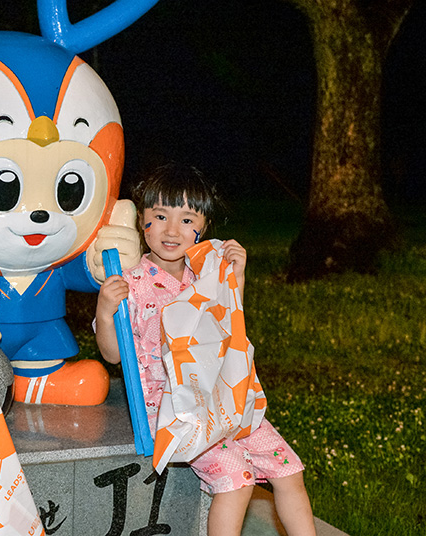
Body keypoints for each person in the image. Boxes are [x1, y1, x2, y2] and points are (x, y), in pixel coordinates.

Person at [95, 163, 316, 536]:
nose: (171, 230)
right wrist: (105, 311)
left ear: (204, 226)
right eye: (160, 216)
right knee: (238, 479)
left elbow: (230, 326)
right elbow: (113, 355)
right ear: (141, 220)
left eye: (186, 220)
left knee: (289, 470)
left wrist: (236, 277)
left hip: (224, 401)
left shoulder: (207, 273)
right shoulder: (132, 283)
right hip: (175, 411)